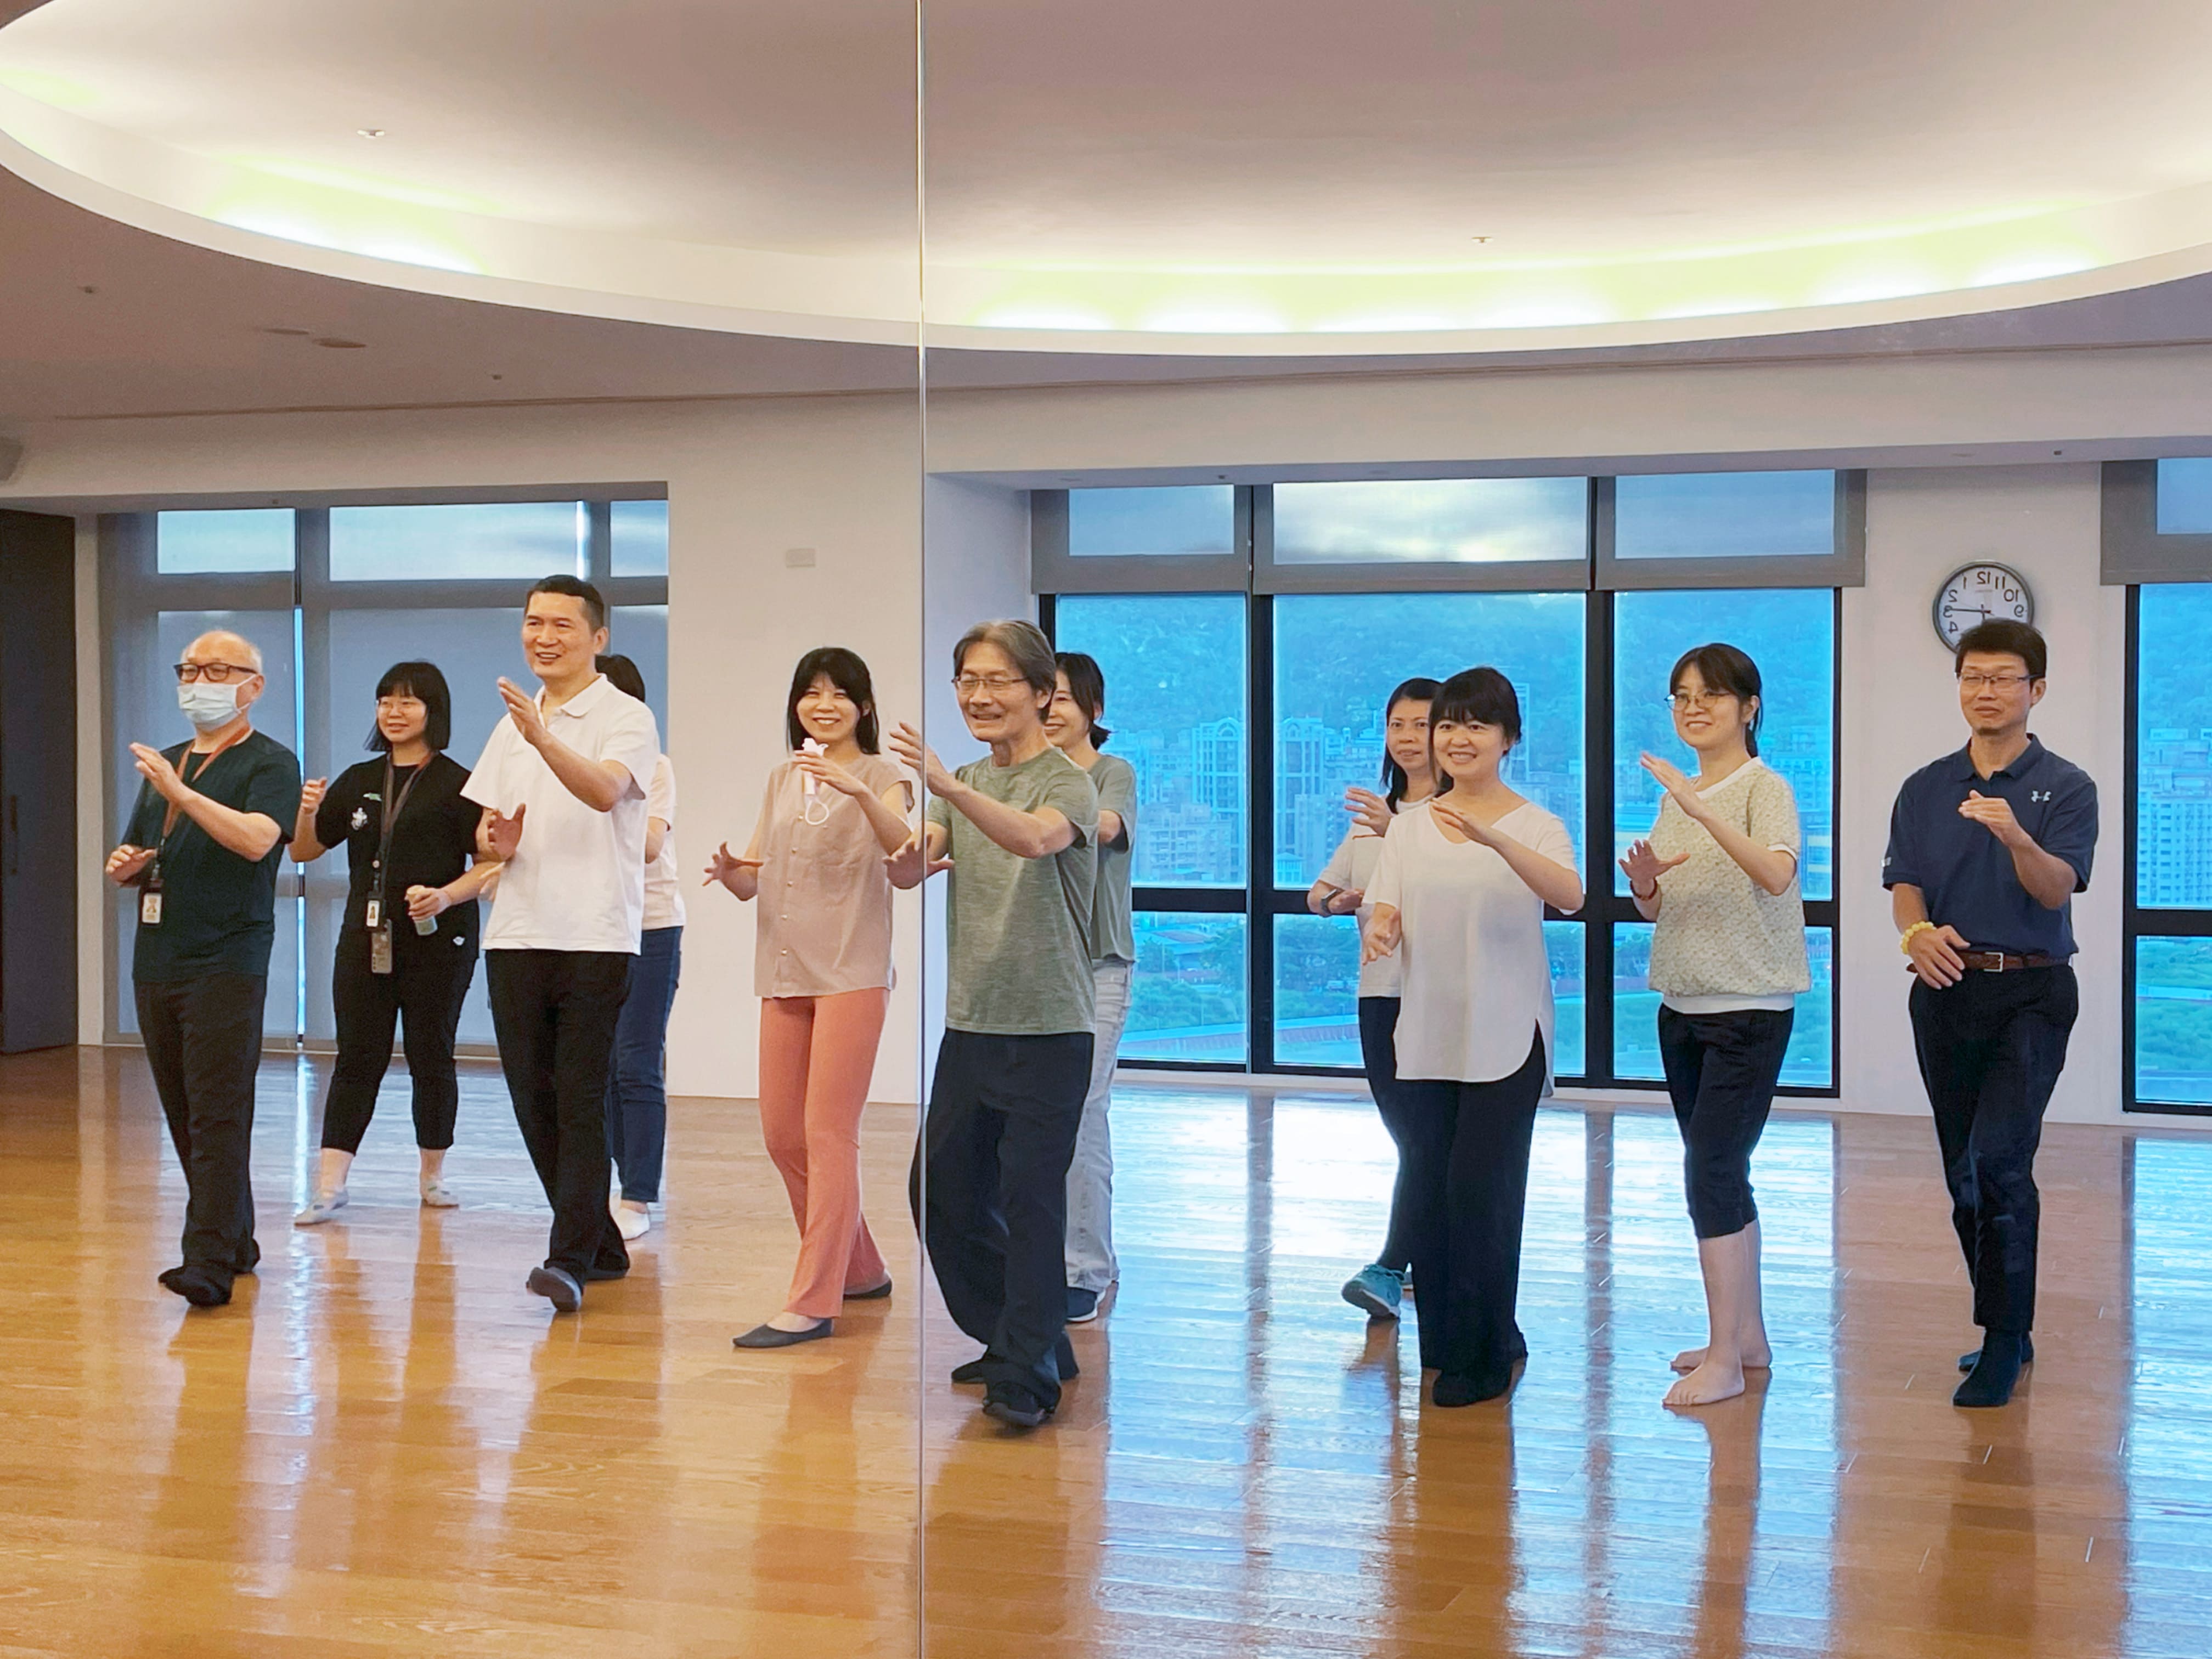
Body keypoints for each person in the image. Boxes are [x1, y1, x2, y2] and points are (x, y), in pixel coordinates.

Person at [890, 619, 1099, 1430]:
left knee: (1031, 1198)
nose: (980, 695)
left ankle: (1026, 1373)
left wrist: (951, 791)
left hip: (1050, 1026)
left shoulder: (1066, 783)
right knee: (937, 1190)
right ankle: (1026, 1333)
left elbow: (1033, 842)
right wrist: (889, 822)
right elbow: (912, 864)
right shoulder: (967, 777)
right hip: (971, 1023)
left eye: (999, 681)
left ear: (1043, 695)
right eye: (967, 681)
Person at [1883, 619, 2095, 1408]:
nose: (1987, 690)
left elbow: (2055, 890)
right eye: (1974, 676)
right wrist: (1915, 930)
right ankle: (2007, 1320)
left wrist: (2015, 837)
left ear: (2036, 691)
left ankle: (2004, 1343)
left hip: (2033, 993)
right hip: (1944, 990)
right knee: (1963, 1172)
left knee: (2002, 1161)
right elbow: (1905, 880)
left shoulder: (2066, 787)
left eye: (2005, 678)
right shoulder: (1925, 786)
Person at [1365, 667, 1582, 1407]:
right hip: (1427, 1030)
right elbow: (1385, 905)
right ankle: (1453, 1343)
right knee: (1433, 1191)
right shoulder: (1410, 826)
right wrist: (1381, 926)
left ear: (1508, 739)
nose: (1457, 739)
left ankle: (1487, 1355)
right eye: (1447, 725)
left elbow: (1571, 895)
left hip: (1506, 1035)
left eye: (1476, 726)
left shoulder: (1537, 823)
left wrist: (1493, 838)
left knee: (1483, 1194)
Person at [463, 575, 662, 1314]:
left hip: (594, 935)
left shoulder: (626, 716)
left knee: (580, 1097)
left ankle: (568, 1258)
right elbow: (487, 829)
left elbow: (606, 793)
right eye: (533, 623)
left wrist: (542, 738)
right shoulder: (510, 723)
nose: (544, 638)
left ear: (598, 639)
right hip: (515, 931)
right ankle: (600, 1244)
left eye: (562, 626)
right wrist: (495, 839)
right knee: (532, 1099)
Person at [1620, 644, 1809, 1408]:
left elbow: (1775, 873)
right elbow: (1662, 907)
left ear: (1748, 707)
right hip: (1683, 1008)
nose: (1693, 709)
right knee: (1721, 1174)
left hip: (1750, 1010)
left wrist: (1700, 807)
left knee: (1712, 1175)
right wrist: (1643, 884)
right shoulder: (1677, 795)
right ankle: (1745, 1337)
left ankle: (1726, 1360)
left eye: (1711, 696)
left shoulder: (1767, 786)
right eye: (1680, 697)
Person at [709, 647, 913, 1348]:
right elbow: (755, 877)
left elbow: (905, 854)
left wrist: (857, 790)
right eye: (810, 693)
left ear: (863, 707)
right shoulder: (783, 778)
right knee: (781, 1134)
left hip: (851, 972)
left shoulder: (886, 777)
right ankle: (859, 1268)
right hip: (785, 969)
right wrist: (732, 872)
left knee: (830, 1135)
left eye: (838, 694)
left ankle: (813, 1297)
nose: (822, 706)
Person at [105, 629, 301, 1307]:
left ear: (254, 685)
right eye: (190, 669)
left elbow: (257, 840)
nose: (200, 681)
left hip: (228, 957)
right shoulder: (167, 761)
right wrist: (129, 867)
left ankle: (207, 1261)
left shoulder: (268, 763)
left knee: (219, 1109)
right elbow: (145, 845)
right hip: (159, 955)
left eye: (217, 670)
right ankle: (236, 1236)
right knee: (184, 1109)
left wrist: (182, 794)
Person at [289, 661, 497, 1225]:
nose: (395, 712)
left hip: (438, 938)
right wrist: (307, 812)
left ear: (434, 712)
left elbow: (494, 864)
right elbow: (304, 852)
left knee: (433, 1055)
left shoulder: (461, 783)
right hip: (365, 936)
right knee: (357, 1056)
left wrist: (447, 896)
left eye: (408, 702)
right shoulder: (359, 780)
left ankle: (433, 1176)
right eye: (386, 701)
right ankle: (330, 1186)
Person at [1314, 676, 1440, 1323]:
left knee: (1424, 1138)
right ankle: (1422, 1253)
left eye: (1423, 724)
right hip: (1380, 988)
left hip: (1440, 990)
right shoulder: (1371, 819)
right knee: (1408, 1134)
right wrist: (1338, 902)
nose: (1409, 737)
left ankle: (1391, 1265)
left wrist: (1403, 831)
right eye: (1398, 725)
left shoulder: (1457, 815)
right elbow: (1319, 891)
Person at [1043, 651, 1137, 1325]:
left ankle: (1087, 1268)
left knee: (1082, 1110)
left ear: (1092, 711)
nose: (1051, 712)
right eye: (1041, 699)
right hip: (1034, 968)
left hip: (1099, 964)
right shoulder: (1017, 777)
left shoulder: (1111, 772)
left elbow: (1105, 826)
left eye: (1064, 701)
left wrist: (1047, 818)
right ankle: (1043, 1258)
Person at [595, 653, 683, 1244]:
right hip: (591, 926)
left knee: (636, 1061)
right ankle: (613, 1183)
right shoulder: (565, 765)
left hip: (650, 924)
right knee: (598, 1067)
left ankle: (640, 1193)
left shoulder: (656, 767)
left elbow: (650, 845)